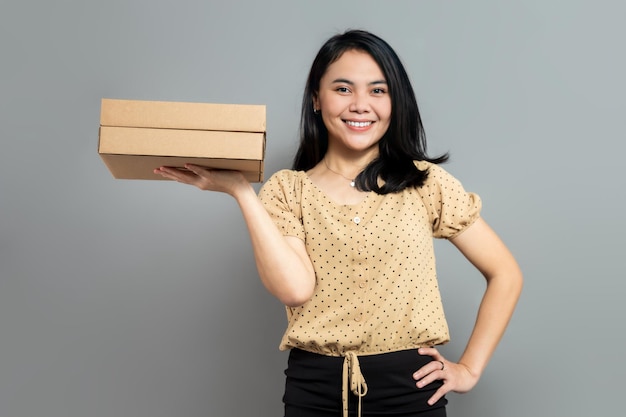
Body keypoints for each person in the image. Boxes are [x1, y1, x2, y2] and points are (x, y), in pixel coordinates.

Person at [154, 29, 523, 417]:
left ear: (396, 102)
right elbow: (295, 290)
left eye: (378, 91)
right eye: (343, 89)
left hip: (411, 393)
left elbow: (506, 273)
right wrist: (242, 193)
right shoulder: (286, 190)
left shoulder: (424, 183)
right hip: (314, 393)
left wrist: (468, 369)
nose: (361, 105)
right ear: (317, 98)